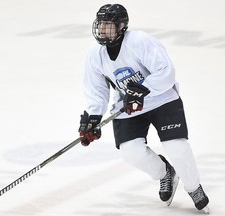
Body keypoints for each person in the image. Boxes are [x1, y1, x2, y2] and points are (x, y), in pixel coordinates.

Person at [78, 3, 209, 212]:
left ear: (121, 26)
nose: (102, 28)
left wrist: (143, 89)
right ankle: (165, 173)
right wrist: (93, 118)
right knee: (131, 152)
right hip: (129, 105)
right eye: (100, 23)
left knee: (177, 147)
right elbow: (97, 90)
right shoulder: (95, 53)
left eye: (107, 24)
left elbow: (166, 70)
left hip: (162, 98)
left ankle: (194, 187)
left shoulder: (139, 41)